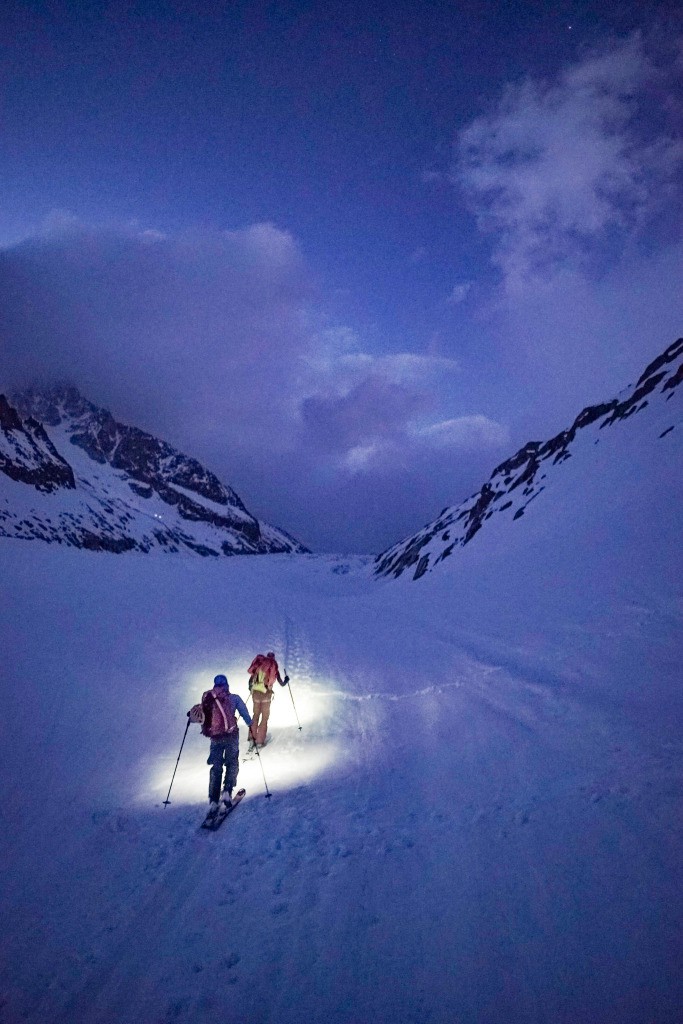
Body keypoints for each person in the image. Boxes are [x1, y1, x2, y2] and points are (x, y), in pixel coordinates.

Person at [189, 674, 254, 819]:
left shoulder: (208, 698)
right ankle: (227, 792)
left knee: (216, 767)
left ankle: (213, 801)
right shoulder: (234, 698)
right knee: (232, 763)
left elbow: (201, 715)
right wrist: (250, 724)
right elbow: (244, 713)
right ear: (227, 685)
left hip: (215, 739)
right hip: (231, 736)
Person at [247, 651, 289, 748]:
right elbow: (282, 684)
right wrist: (286, 680)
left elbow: (250, 681)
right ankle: (260, 741)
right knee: (264, 718)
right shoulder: (274, 668)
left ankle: (251, 738)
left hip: (256, 694)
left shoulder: (258, 666)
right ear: (273, 658)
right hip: (266, 695)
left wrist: (251, 689)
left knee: (255, 715)